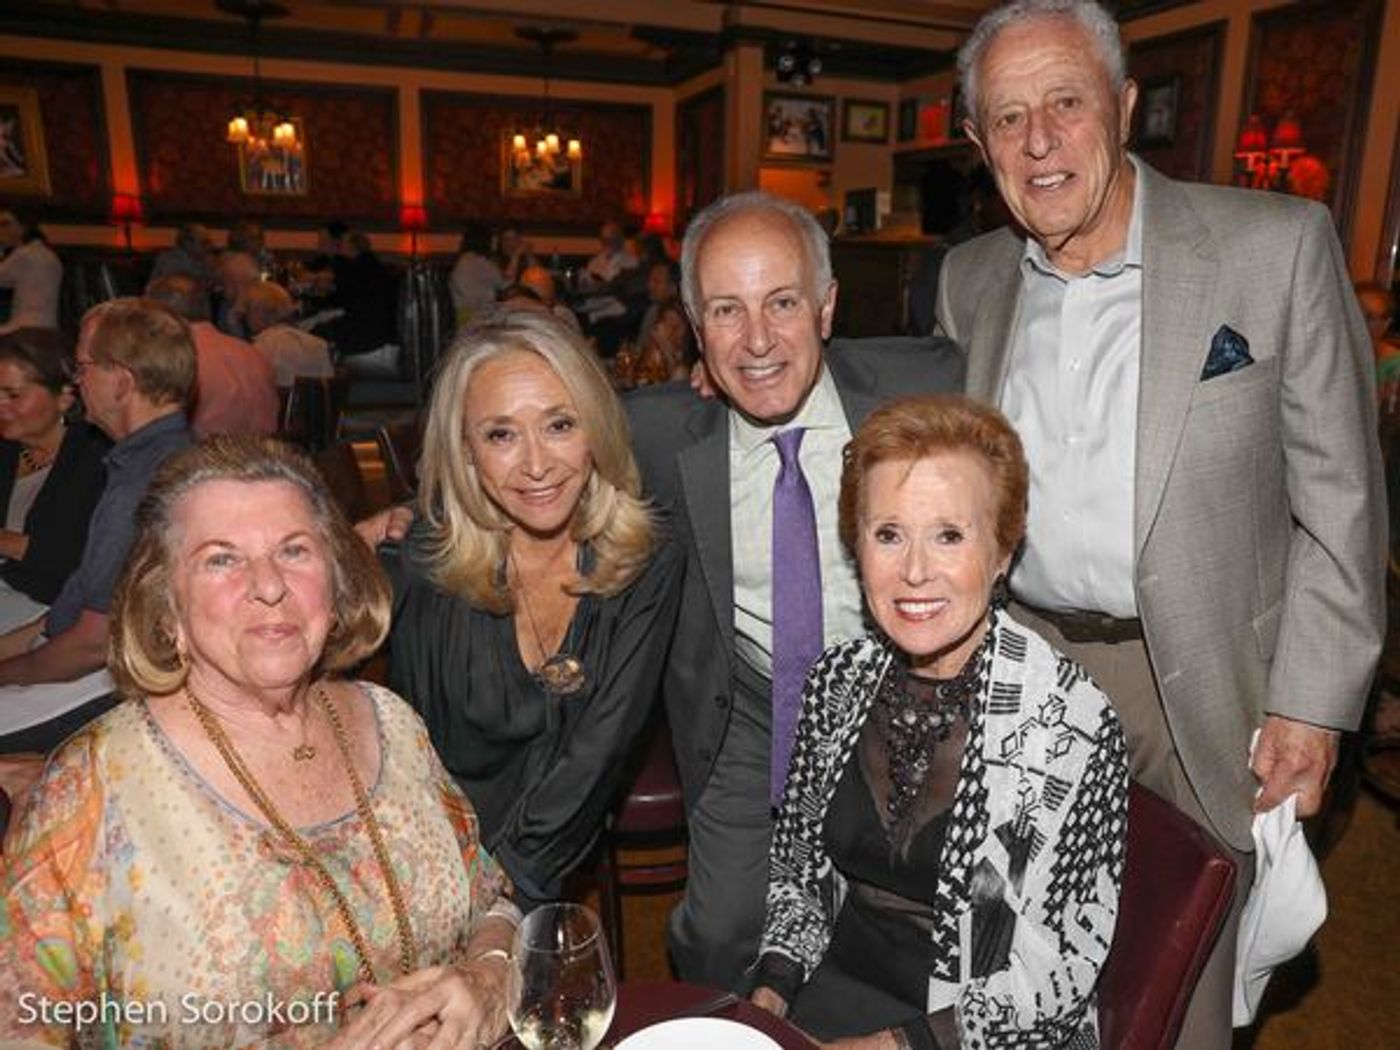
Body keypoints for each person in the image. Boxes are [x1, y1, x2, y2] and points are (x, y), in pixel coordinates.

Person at [933, 2, 1385, 1044]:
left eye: (1064, 103)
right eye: (1006, 119)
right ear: (976, 143)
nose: (1038, 141)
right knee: (1016, 963)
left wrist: (1310, 705)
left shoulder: (1271, 248)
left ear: (1124, 106)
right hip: (1031, 669)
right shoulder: (966, 285)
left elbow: (1342, 502)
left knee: (1179, 980)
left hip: (1205, 677)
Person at [0, 436, 518, 1049]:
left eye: (294, 550)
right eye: (222, 559)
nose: (269, 585)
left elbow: (494, 900)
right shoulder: (90, 790)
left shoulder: (393, 723)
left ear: (336, 579)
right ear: (166, 603)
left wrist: (488, 977)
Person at [624, 190, 965, 989]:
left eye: (782, 303)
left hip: (903, 690)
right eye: (726, 312)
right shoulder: (660, 432)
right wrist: (398, 518)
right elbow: (521, 456)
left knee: (927, 940)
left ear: (826, 306)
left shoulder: (927, 384)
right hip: (748, 705)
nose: (757, 342)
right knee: (718, 938)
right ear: (694, 328)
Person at [751, 395, 1127, 1048]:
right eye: (888, 534)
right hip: (841, 983)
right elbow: (800, 874)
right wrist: (768, 998)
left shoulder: (1068, 723)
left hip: (983, 1027)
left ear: (1004, 551)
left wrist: (895, 1047)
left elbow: (1052, 976)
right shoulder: (837, 681)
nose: (915, 571)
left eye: (949, 535)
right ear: (857, 545)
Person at [381, 308, 682, 908]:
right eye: (501, 435)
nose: (538, 465)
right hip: (436, 861)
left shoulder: (645, 558)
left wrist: (502, 900)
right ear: (465, 450)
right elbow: (410, 766)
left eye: (560, 425)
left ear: (595, 428)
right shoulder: (425, 563)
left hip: (547, 861)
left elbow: (597, 757)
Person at [0, 298, 195, 753]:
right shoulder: (146, 459)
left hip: (109, 685)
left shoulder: (144, 485)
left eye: (84, 367)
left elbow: (92, 645)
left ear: (122, 382)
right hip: (81, 659)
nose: (77, 380)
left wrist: (9, 671)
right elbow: (78, 599)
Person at [0, 328, 108, 607]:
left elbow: (80, 561)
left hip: (53, 606)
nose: (1, 406)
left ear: (64, 397)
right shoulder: (8, 447)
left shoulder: (97, 458)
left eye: (13, 395)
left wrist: (6, 543)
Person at [146, 273, 279, 438]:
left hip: (202, 459)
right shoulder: (252, 353)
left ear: (158, 316)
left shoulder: (175, 357)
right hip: (263, 457)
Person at [243, 279, 336, 389]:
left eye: (247, 309)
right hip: (315, 405)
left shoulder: (263, 345)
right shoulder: (319, 345)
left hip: (278, 405)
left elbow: (251, 390)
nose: (244, 315)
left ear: (259, 311)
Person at [0, 209, 62, 335]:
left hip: (24, 325)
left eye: (6, 224)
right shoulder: (53, 257)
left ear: (22, 226)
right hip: (49, 325)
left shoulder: (24, 254)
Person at [449, 223, 505, 328]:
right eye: (492, 240)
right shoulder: (480, 262)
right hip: (477, 317)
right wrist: (517, 255)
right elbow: (504, 284)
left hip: (461, 315)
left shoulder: (464, 259)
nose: (495, 243)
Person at [149, 221, 215, 285]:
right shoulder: (171, 261)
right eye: (204, 242)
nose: (209, 246)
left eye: (209, 242)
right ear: (187, 243)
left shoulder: (202, 259)